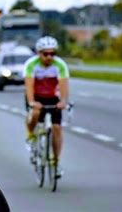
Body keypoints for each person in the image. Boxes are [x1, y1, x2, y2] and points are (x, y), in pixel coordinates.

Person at [23, 36, 70, 175]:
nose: (49, 57)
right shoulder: (31, 64)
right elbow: (29, 86)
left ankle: (55, 161)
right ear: (39, 53)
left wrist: (63, 101)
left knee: (56, 128)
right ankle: (31, 134)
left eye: (52, 53)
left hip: (52, 97)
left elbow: (63, 86)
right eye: (45, 54)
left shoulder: (60, 65)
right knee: (36, 113)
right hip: (36, 96)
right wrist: (32, 102)